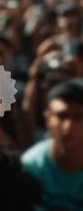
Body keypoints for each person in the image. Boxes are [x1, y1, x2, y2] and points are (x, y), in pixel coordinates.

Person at [20, 78, 83, 210]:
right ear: (48, 119)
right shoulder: (30, 166)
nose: (68, 126)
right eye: (61, 116)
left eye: (78, 117)